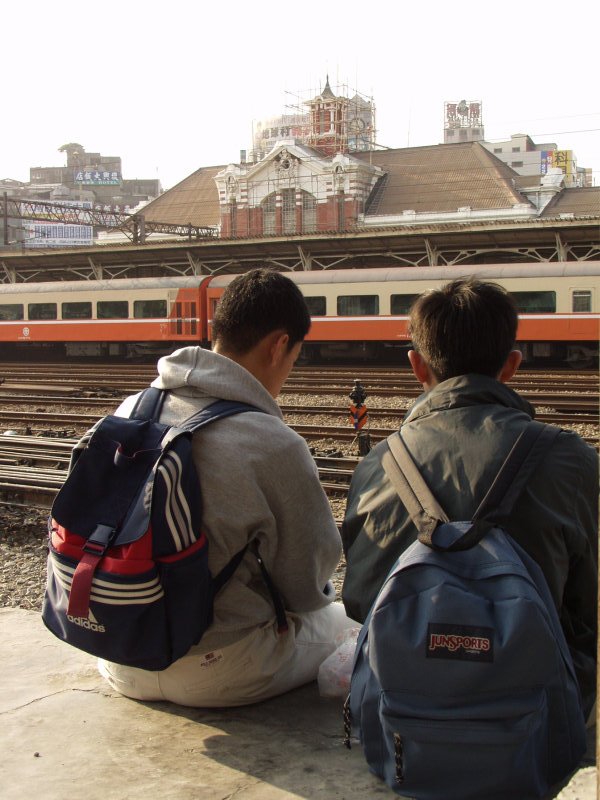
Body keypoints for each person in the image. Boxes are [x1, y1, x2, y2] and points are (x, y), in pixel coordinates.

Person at [341, 277, 598, 719]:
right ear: (513, 365)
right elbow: (587, 607)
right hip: (537, 715)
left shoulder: (379, 463)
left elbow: (360, 600)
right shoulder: (571, 459)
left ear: (417, 366)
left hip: (403, 717)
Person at [99, 267, 356, 706]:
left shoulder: (130, 409)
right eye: (294, 357)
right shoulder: (273, 442)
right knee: (348, 621)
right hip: (219, 671)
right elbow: (305, 588)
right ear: (279, 345)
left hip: (117, 653)